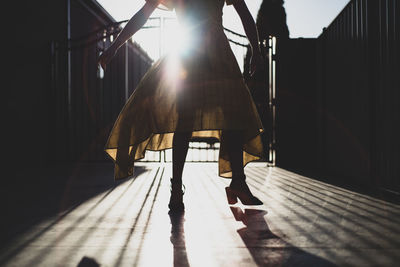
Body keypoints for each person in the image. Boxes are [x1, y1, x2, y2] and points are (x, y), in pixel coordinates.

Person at [98, 0, 264, 212]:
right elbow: (145, 12)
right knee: (185, 120)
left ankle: (238, 182)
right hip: (190, 55)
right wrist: (114, 47)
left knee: (233, 115)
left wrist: (257, 50)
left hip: (215, 56)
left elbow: (243, 12)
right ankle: (177, 188)